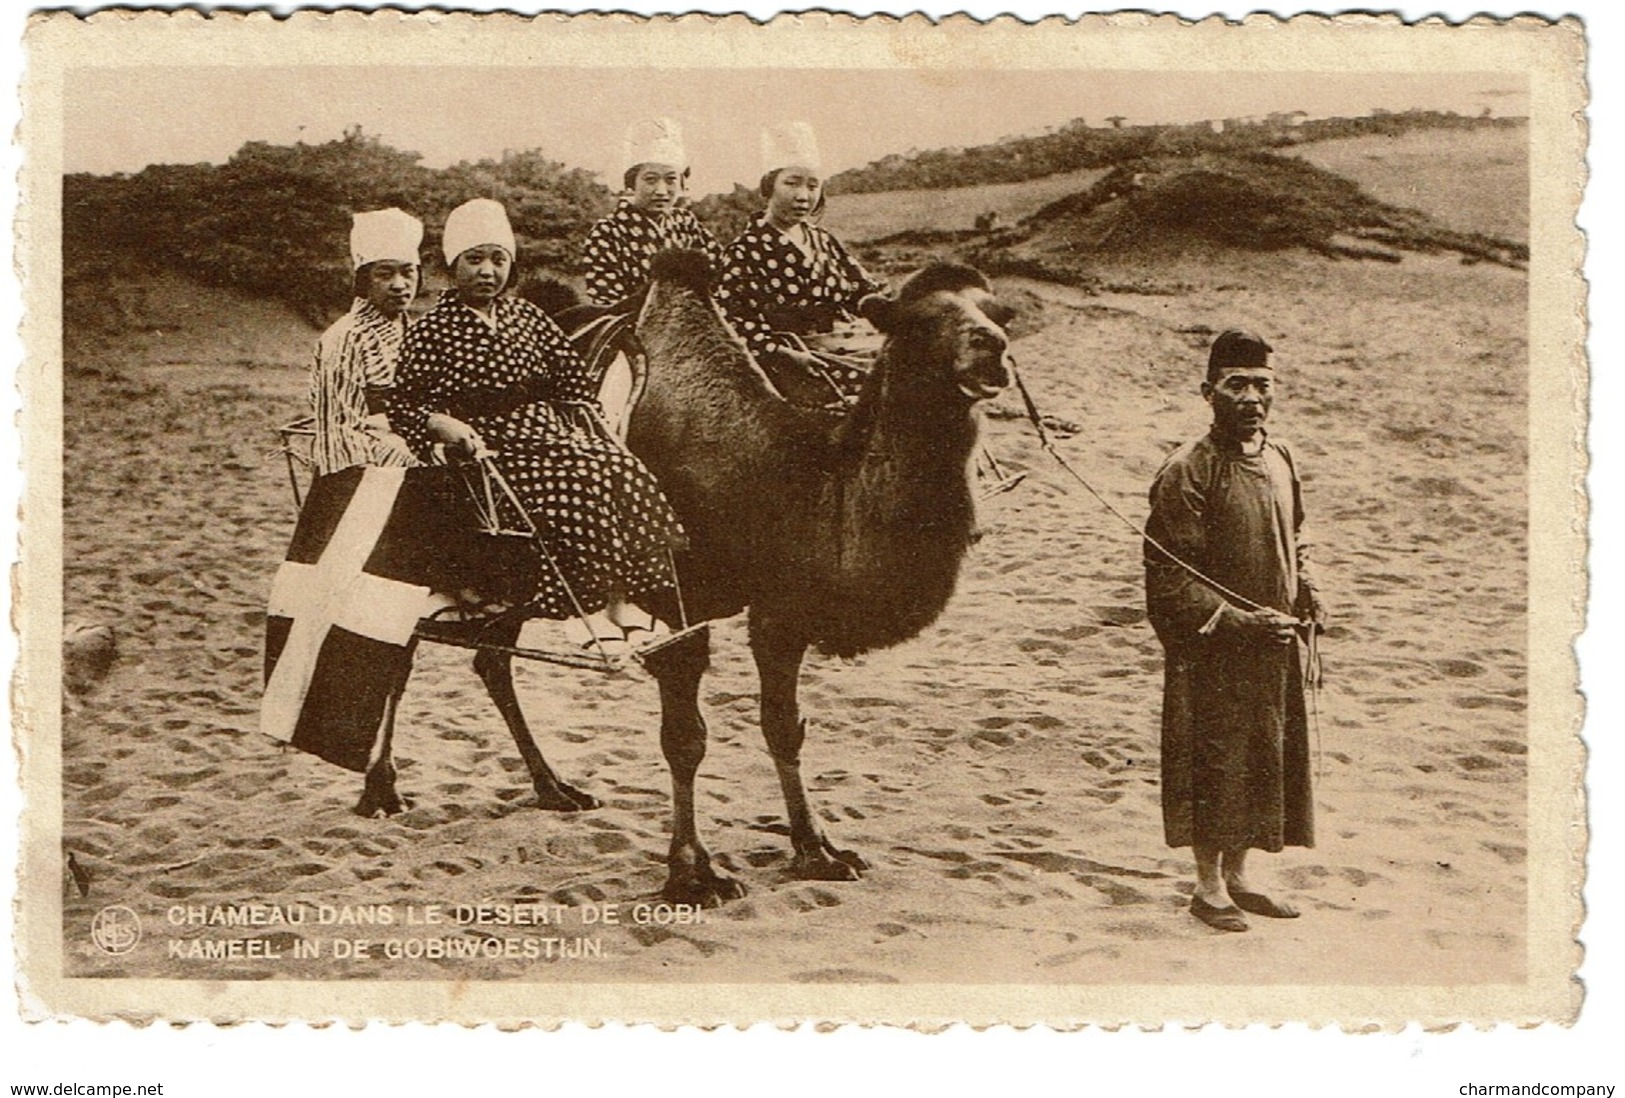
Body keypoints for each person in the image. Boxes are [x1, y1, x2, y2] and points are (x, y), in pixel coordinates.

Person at [387, 198, 683, 652]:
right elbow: (405, 401)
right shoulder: (432, 329)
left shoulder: (527, 317)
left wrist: (584, 417)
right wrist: (442, 422)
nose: (488, 271)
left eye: (498, 260)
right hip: (487, 445)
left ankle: (623, 602)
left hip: (545, 433)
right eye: (475, 259)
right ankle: (584, 607)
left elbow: (572, 379)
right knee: (575, 485)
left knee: (621, 470)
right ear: (451, 265)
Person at [1143, 329, 1325, 933]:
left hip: (1273, 641)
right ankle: (1207, 886)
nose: (1251, 398)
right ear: (1209, 392)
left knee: (1262, 754)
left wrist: (1307, 590)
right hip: (1214, 646)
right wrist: (1238, 621)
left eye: (1263, 385)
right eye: (1236, 385)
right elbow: (1167, 571)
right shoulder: (1187, 471)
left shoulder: (1281, 457)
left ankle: (1243, 877)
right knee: (1213, 758)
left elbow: (1295, 537)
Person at [715, 121, 886, 404]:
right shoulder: (743, 250)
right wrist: (781, 352)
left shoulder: (824, 240)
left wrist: (882, 309)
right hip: (786, 360)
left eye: (812, 185)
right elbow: (734, 321)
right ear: (769, 187)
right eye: (791, 183)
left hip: (844, 345)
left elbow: (863, 289)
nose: (803, 196)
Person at [308, 207, 423, 477]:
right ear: (364, 280)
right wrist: (417, 467)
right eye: (385, 274)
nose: (399, 284)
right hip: (367, 472)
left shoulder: (415, 332)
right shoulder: (346, 337)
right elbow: (341, 432)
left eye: (408, 272)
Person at [579, 118, 725, 308]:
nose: (662, 191)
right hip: (634, 330)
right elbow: (607, 302)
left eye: (671, 180)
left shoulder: (686, 222)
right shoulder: (608, 231)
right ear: (631, 184)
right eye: (650, 180)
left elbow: (724, 272)